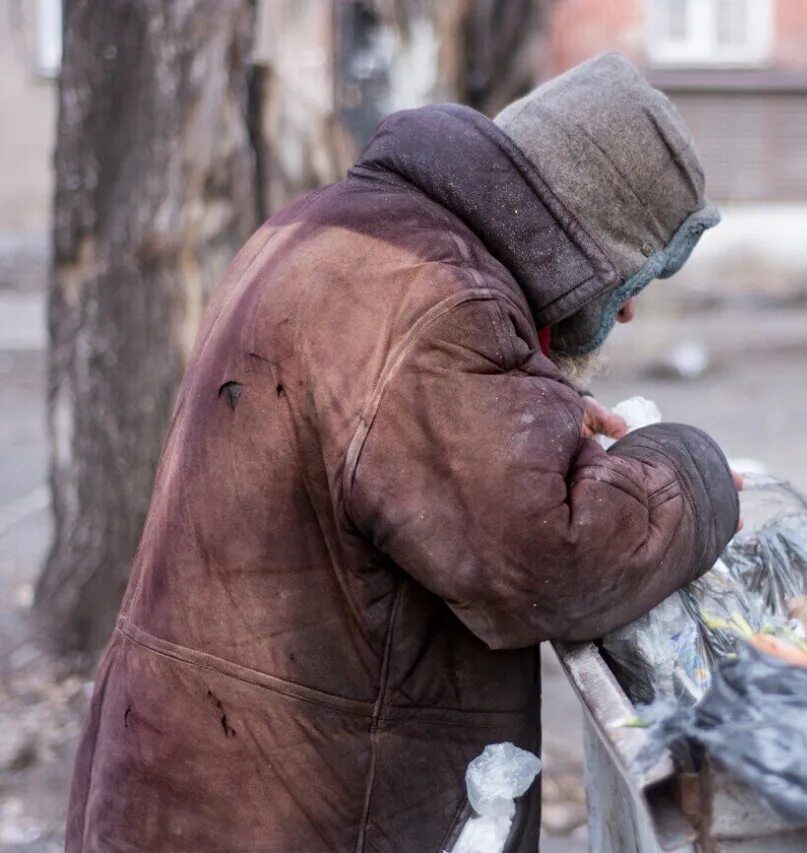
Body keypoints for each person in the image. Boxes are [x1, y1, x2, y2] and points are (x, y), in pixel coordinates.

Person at [65, 53, 740, 852]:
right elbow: (551, 562)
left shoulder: (341, 227)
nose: (626, 315)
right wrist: (692, 473)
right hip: (290, 810)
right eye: (637, 277)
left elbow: (383, 451)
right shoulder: (444, 304)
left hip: (190, 777)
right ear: (584, 240)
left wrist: (538, 411)